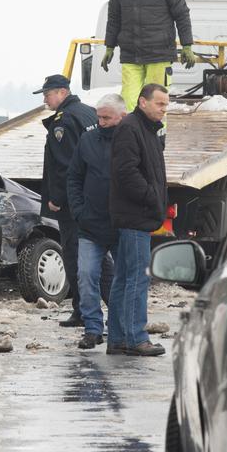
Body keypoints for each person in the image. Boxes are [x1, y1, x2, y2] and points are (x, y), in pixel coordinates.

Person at [108, 83, 169, 356]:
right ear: (143, 102)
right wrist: (151, 197)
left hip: (136, 215)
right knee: (136, 278)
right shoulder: (131, 128)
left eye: (166, 104)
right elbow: (126, 172)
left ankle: (119, 338)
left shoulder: (147, 130)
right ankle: (135, 338)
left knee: (123, 278)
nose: (164, 109)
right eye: (160, 104)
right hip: (135, 215)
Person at [34, 74, 98, 327]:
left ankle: (82, 311)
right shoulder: (89, 113)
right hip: (91, 195)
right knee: (94, 253)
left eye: (47, 94)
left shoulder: (64, 120)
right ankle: (96, 308)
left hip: (72, 201)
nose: (45, 99)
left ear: (62, 92)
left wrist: (57, 198)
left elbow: (64, 165)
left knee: (73, 253)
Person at [101, 0, 195, 112]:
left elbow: (182, 15)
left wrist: (187, 45)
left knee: (156, 102)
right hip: (131, 54)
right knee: (129, 100)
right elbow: (114, 18)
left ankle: (158, 135)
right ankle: (131, 135)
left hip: (159, 54)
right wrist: (109, 46)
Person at [66, 94, 126, 349]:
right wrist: (79, 210)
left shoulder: (131, 141)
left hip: (122, 223)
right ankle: (92, 328)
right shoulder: (88, 140)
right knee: (86, 275)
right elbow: (74, 177)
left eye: (106, 117)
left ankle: (121, 327)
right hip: (90, 224)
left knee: (123, 280)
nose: (100, 122)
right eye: (99, 116)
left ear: (121, 116)